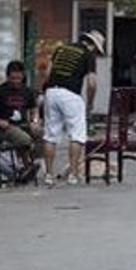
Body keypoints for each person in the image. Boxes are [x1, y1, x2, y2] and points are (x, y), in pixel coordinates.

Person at [42, 31, 104, 186]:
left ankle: (48, 175)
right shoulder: (88, 55)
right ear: (92, 45)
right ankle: (73, 175)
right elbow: (91, 83)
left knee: (50, 135)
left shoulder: (61, 48)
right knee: (76, 135)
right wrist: (90, 103)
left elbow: (48, 73)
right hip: (71, 94)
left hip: (51, 92)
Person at [0, 61, 43, 166]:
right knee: (24, 139)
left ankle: (30, 162)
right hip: (5, 127)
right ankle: (27, 162)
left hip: (23, 124)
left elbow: (34, 109)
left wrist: (34, 121)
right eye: (13, 79)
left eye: (19, 79)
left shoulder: (27, 91)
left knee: (42, 135)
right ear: (7, 77)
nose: (16, 82)